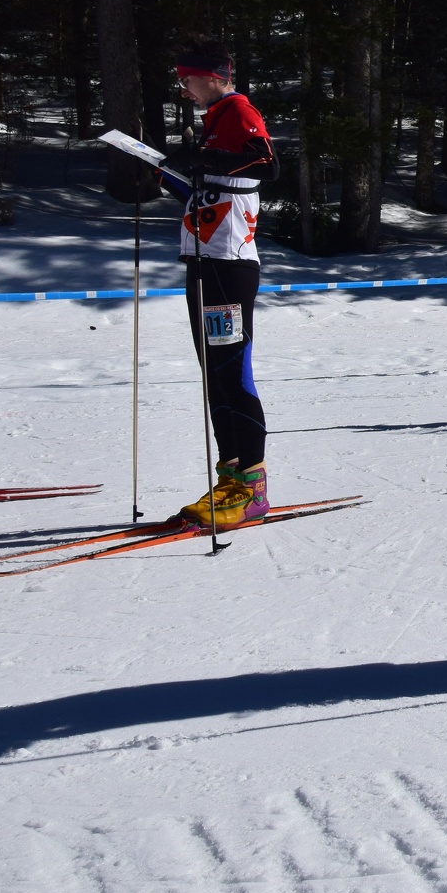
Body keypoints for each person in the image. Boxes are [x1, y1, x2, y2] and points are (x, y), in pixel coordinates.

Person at [165, 38, 278, 527]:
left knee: (232, 372)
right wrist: (165, 173)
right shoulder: (216, 117)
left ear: (211, 76)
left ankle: (252, 487)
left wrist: (204, 162)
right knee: (214, 374)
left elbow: (265, 163)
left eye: (186, 79)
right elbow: (216, 188)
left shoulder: (237, 109)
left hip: (228, 265)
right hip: (204, 259)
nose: (183, 88)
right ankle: (231, 477)